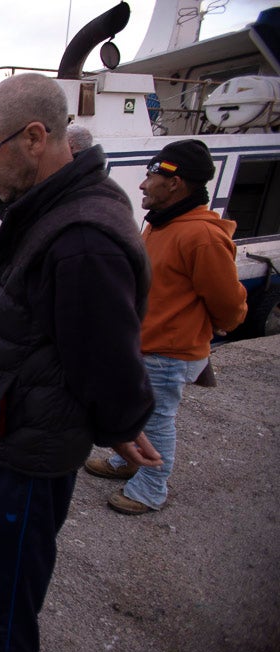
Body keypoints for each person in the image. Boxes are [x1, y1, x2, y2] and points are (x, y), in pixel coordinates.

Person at [0, 73, 161, 652]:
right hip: (15, 419)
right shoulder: (52, 204)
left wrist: (122, 422)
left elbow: (105, 352)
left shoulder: (80, 237)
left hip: (36, 434)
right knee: (2, 541)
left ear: (35, 137)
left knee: (17, 554)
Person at [84, 139, 248, 514]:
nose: (143, 184)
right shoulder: (162, 226)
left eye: (152, 176)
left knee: (157, 420)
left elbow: (226, 299)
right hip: (143, 344)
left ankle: (151, 488)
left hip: (168, 351)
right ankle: (130, 460)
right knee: (134, 410)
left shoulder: (200, 235)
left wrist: (226, 323)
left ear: (175, 183)